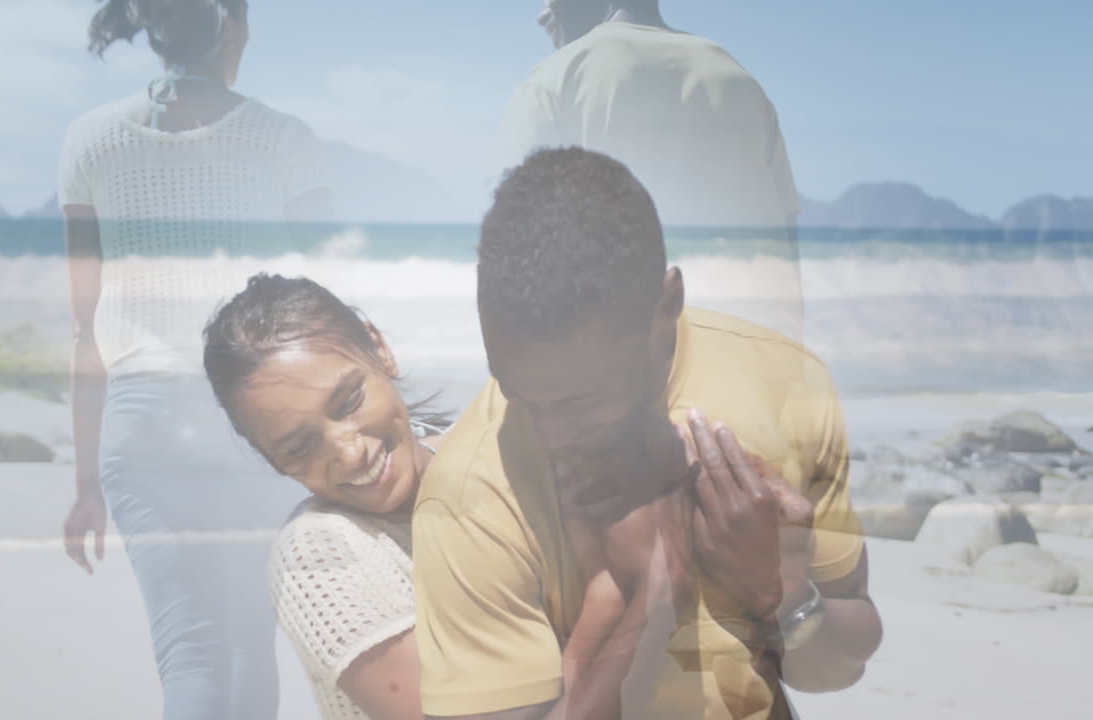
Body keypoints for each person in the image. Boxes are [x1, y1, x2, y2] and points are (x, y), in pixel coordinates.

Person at [412, 147, 882, 719]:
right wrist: (654, 598)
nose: (549, 434)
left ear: (666, 307)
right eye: (514, 390)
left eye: (581, 403)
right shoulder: (471, 495)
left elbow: (841, 668)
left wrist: (783, 593)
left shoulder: (784, 383)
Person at [57, 2, 331, 718]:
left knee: (192, 650)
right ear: (232, 29)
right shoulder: (284, 140)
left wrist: (87, 479)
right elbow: (329, 302)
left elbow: (84, 329)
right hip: (250, 417)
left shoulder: (88, 144)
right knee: (246, 642)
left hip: (139, 425)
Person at [200, 273, 637, 720]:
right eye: (300, 446)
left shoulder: (502, 455)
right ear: (273, 460)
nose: (350, 453)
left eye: (348, 400)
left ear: (380, 349)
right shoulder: (321, 556)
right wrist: (622, 603)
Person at [497, 0, 805, 341]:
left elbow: (516, 250)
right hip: (744, 349)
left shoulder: (552, 80)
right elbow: (785, 250)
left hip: (617, 362)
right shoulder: (741, 80)